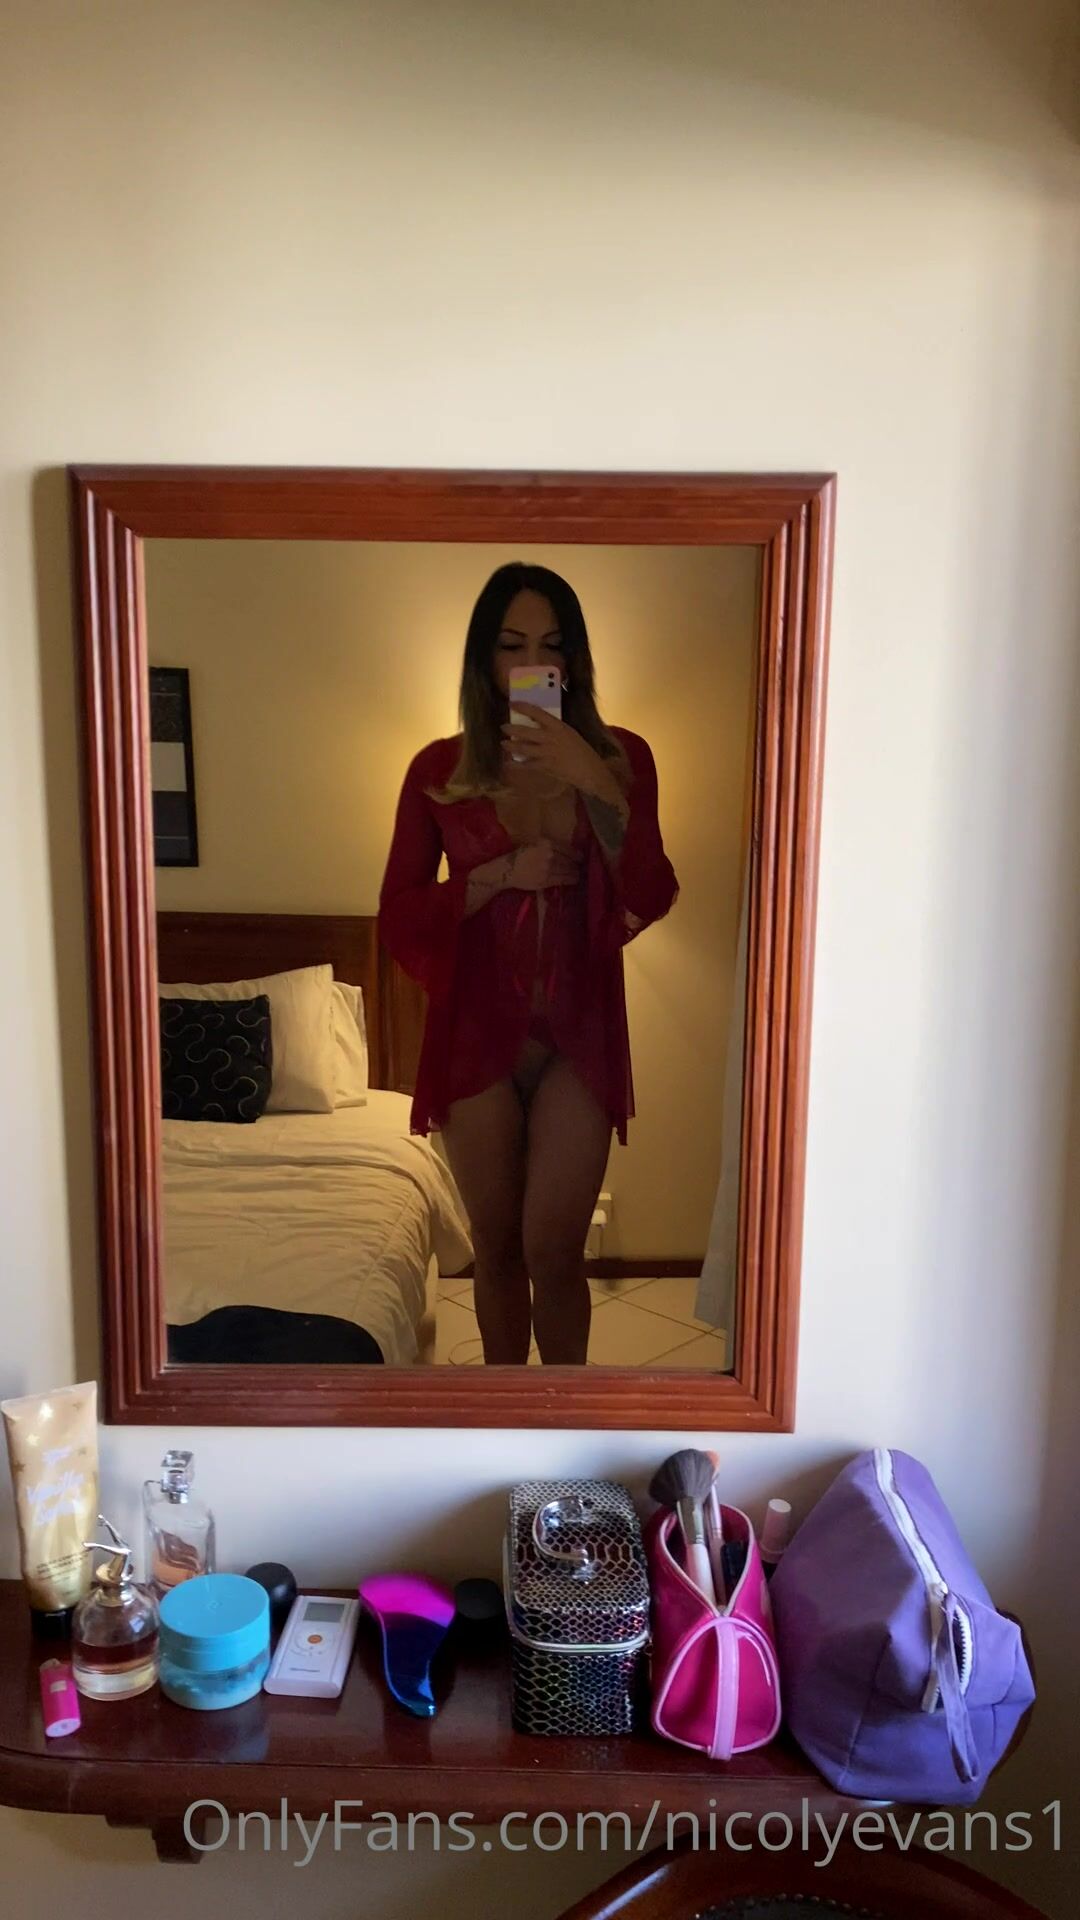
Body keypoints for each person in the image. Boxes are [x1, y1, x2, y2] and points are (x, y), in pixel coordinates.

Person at [379, 563, 677, 1365]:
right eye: (512, 645)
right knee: (498, 1247)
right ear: (485, 659)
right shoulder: (439, 770)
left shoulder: (624, 758)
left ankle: (564, 1414)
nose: (532, 662)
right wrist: (497, 877)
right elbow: (399, 914)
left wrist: (595, 782)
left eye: (551, 645)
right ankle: (502, 1412)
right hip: (475, 1033)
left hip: (579, 1031)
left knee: (554, 1248)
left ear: (574, 660)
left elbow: (650, 892)